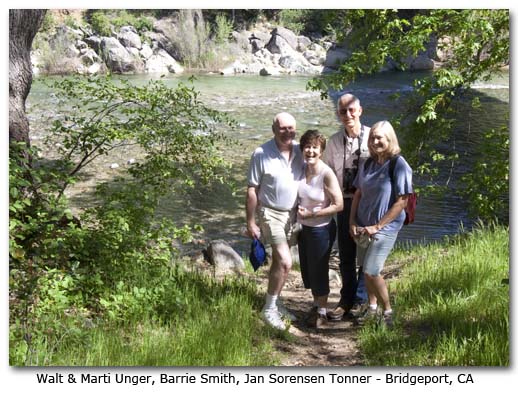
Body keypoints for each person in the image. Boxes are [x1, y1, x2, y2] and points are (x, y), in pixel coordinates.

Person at [349, 120, 413, 327]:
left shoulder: (399, 164)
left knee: (372, 270)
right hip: (363, 226)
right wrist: (352, 222)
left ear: (389, 139)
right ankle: (372, 308)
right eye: (372, 138)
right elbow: (357, 193)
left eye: (380, 138)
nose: (375, 141)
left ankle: (388, 312)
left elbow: (403, 201)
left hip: (385, 228)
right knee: (365, 269)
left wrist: (377, 226)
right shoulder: (367, 163)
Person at [246, 112, 304, 330]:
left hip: (292, 215)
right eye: (282, 128)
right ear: (273, 129)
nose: (287, 132)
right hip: (270, 213)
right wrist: (250, 222)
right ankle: (268, 310)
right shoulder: (261, 153)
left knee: (279, 263)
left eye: (291, 128)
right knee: (287, 261)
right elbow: (252, 190)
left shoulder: (300, 150)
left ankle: (276, 302)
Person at [323, 93, 370, 321]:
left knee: (366, 253)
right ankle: (346, 299)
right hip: (344, 202)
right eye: (343, 111)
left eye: (352, 110)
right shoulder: (333, 142)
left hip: (368, 204)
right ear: (338, 114)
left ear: (360, 110)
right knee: (346, 255)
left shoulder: (373, 136)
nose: (348, 115)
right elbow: (327, 175)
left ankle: (361, 300)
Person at [297, 130, 343, 328]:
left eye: (315, 147)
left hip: (321, 229)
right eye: (307, 147)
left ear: (321, 150)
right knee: (308, 270)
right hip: (304, 229)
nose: (310, 151)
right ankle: (316, 306)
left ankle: (322, 313)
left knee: (319, 270)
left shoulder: (326, 173)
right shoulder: (301, 168)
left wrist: (312, 215)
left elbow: (338, 205)